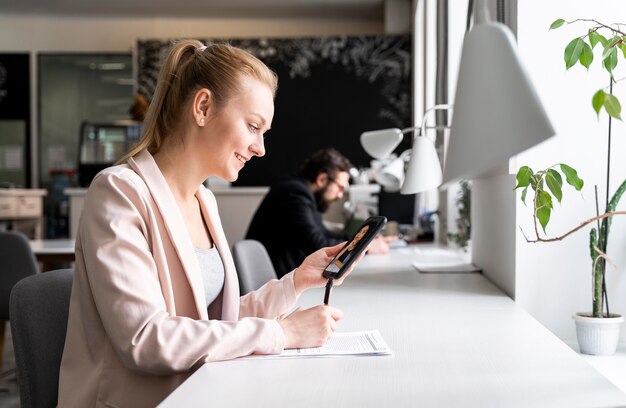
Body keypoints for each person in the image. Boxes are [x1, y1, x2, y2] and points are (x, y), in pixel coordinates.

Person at [58, 40, 359, 408]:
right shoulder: (119, 192)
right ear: (202, 107)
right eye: (253, 126)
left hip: (200, 392)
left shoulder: (204, 200)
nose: (260, 148)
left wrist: (296, 281)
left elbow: (218, 322)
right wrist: (280, 332)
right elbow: (147, 340)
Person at [246, 147, 394, 278]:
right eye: (340, 187)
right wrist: (366, 248)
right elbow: (317, 244)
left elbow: (323, 233)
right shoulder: (294, 193)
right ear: (322, 179)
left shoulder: (303, 192)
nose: (340, 195)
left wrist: (364, 240)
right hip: (277, 282)